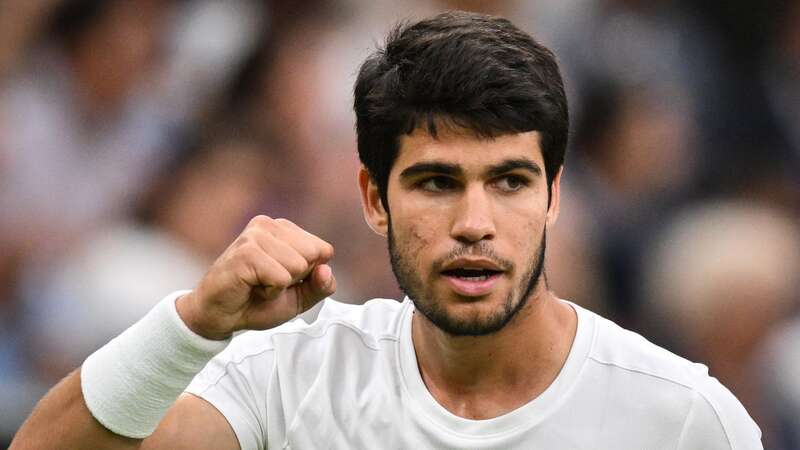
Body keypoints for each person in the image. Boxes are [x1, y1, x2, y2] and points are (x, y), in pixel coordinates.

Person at [11, 11, 762, 450]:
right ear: (373, 198)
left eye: (509, 181)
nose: (474, 224)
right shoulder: (292, 372)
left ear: (555, 195)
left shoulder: (684, 417)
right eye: (436, 183)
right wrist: (191, 325)